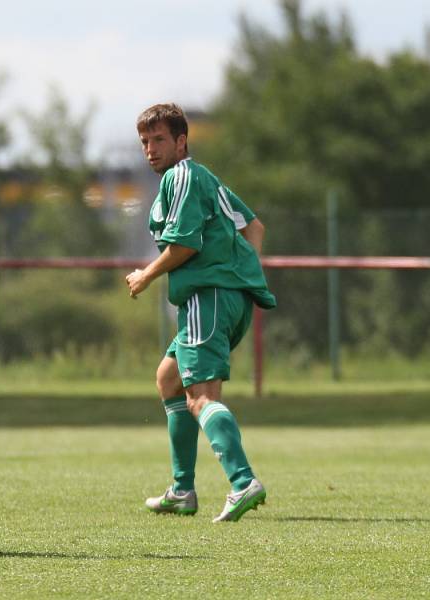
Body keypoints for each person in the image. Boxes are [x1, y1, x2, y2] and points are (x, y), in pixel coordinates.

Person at [126, 103, 277, 522]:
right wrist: (241, 274)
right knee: (169, 379)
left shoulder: (182, 176)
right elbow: (255, 227)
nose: (151, 149)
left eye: (159, 139)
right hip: (225, 298)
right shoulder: (207, 178)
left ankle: (243, 481)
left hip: (207, 299)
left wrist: (145, 276)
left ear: (181, 141)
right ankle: (182, 491)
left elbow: (186, 246)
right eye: (144, 142)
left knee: (200, 397)